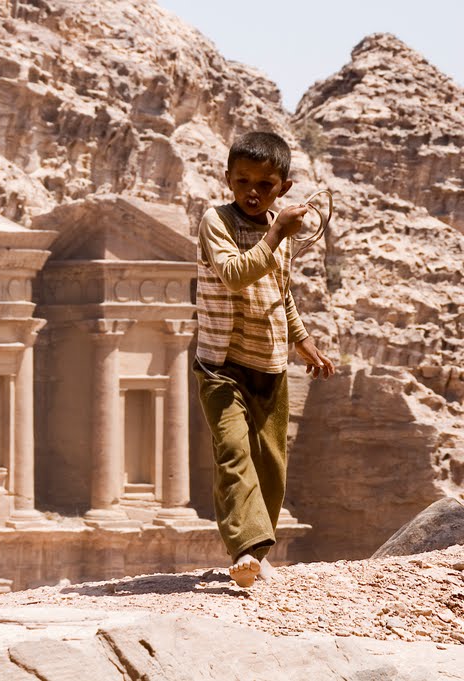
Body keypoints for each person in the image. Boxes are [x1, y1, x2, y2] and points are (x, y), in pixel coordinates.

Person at [193, 131, 335, 587]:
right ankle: (245, 550)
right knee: (234, 453)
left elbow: (280, 291)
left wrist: (302, 339)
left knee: (272, 464)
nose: (252, 192)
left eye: (265, 185)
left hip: (270, 364)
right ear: (227, 180)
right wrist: (275, 234)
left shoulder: (282, 232)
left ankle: (260, 548)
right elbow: (235, 274)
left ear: (285, 187)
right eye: (242, 182)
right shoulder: (215, 222)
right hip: (221, 364)